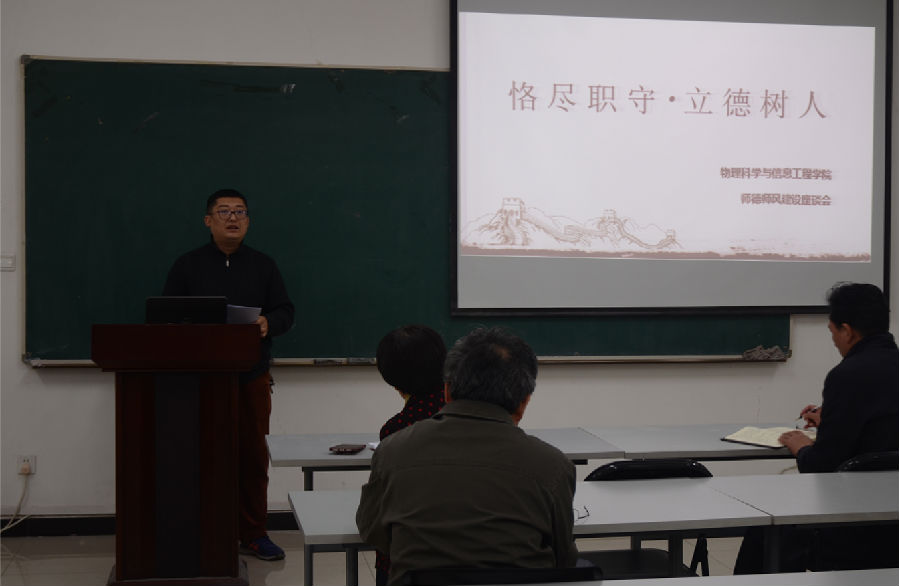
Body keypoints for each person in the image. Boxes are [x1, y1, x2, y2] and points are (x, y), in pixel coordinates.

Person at [356, 327, 578, 585]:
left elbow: (372, 530)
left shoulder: (392, 450)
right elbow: (564, 560)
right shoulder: (553, 466)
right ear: (524, 402)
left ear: (447, 390)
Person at [163, 188, 295, 561]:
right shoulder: (187, 265)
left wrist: (269, 322)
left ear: (248, 221)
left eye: (240, 212)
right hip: (199, 379)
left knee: (253, 458)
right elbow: (164, 315)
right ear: (208, 221)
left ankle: (253, 533)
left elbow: (286, 310)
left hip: (251, 375)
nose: (233, 218)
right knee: (199, 456)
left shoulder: (263, 265)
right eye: (224, 211)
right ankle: (201, 531)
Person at [734, 282, 898, 574]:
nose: (834, 340)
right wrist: (833, 418)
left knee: (766, 527)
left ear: (847, 331)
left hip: (850, 527)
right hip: (891, 521)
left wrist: (802, 447)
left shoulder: (847, 375)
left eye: (832, 332)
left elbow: (822, 466)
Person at [372, 324, 448, 585]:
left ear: (392, 379)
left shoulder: (395, 431)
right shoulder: (474, 417)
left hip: (406, 562)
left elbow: (377, 514)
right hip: (475, 559)